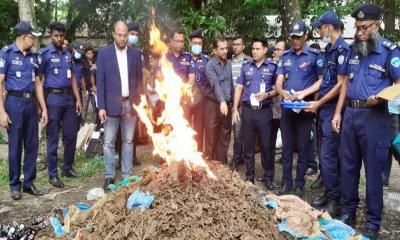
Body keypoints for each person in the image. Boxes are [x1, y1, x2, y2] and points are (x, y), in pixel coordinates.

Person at [332, 4, 400, 239]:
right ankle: (348, 212)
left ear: (377, 25)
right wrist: (338, 112)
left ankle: (373, 221)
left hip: (374, 118)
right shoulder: (353, 50)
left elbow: (399, 84)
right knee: (348, 167)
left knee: (373, 171)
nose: (360, 32)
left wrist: (380, 97)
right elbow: (345, 84)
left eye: (364, 28)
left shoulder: (390, 51)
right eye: (357, 27)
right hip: (351, 115)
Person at [306, 11, 350, 218]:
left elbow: (341, 84)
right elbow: (323, 81)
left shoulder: (343, 49)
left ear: (329, 27)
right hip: (323, 109)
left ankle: (336, 199)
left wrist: (320, 102)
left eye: (321, 28)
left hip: (333, 109)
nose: (319, 31)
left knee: (329, 156)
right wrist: (305, 95)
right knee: (325, 156)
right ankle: (329, 191)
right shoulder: (329, 50)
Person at [275, 20, 323, 197]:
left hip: (305, 109)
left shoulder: (314, 55)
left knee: (303, 147)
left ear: (306, 36)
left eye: (299, 37)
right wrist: (282, 91)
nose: (296, 41)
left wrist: (310, 99)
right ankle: (286, 182)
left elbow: (321, 81)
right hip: (287, 108)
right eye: (293, 37)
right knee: (287, 148)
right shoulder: (285, 56)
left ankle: (300, 183)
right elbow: (279, 81)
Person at [0, 21, 48, 200]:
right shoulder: (7, 53)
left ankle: (28, 183)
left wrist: (43, 108)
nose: (34, 40)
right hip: (14, 103)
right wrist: (2, 112)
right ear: (22, 36)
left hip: (31, 104)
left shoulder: (34, 56)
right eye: (32, 37)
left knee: (32, 145)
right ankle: (14, 185)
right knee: (15, 146)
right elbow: (0, 82)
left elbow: (37, 83)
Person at [96, 21, 143, 190]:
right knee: (108, 142)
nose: (123, 38)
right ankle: (109, 176)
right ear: (114, 34)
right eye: (120, 35)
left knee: (128, 140)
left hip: (130, 104)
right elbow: (100, 82)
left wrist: (139, 103)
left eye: (125, 35)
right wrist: (101, 106)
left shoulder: (135, 54)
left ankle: (127, 174)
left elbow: (139, 81)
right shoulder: (104, 53)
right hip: (110, 105)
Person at [39, 22, 82, 188]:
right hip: (53, 99)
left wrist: (77, 99)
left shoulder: (68, 54)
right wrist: (41, 106)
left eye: (61, 36)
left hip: (69, 99)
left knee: (71, 134)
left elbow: (72, 78)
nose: (59, 39)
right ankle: (52, 174)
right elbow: (39, 80)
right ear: (51, 36)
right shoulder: (44, 54)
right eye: (56, 36)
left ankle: (67, 168)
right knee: (53, 137)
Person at [232, 38, 278, 189]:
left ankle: (268, 176)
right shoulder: (246, 67)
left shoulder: (272, 67)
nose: (254, 51)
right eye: (253, 49)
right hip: (248, 111)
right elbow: (239, 87)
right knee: (248, 146)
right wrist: (234, 110)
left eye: (258, 49)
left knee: (266, 146)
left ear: (265, 50)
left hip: (264, 112)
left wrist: (268, 95)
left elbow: (279, 88)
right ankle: (249, 177)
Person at [204, 38, 233, 164]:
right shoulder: (210, 65)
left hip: (226, 104)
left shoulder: (228, 65)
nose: (225, 51)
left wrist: (231, 103)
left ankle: (222, 166)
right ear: (215, 50)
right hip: (213, 105)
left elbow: (230, 84)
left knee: (225, 136)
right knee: (211, 137)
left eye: (226, 48)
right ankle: (209, 167)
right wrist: (222, 101)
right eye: (222, 49)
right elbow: (215, 84)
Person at [230, 36, 250, 168]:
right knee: (236, 131)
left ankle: (239, 159)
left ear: (243, 46)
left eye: (238, 44)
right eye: (234, 44)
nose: (235, 46)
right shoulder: (229, 62)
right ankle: (239, 158)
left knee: (243, 132)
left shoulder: (249, 61)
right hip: (233, 101)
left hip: (246, 102)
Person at [187, 28, 208, 152]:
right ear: (190, 43)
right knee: (186, 126)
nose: (197, 46)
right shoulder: (185, 59)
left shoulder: (206, 60)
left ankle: (198, 153)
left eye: (199, 44)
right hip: (187, 99)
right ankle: (187, 153)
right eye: (194, 43)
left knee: (199, 128)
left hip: (201, 100)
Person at [71, 42, 86, 127]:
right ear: (73, 49)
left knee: (78, 113)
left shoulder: (81, 63)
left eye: (81, 53)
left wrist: (84, 91)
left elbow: (82, 77)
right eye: (78, 52)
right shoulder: (68, 60)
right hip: (70, 92)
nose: (79, 54)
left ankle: (77, 131)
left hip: (79, 91)